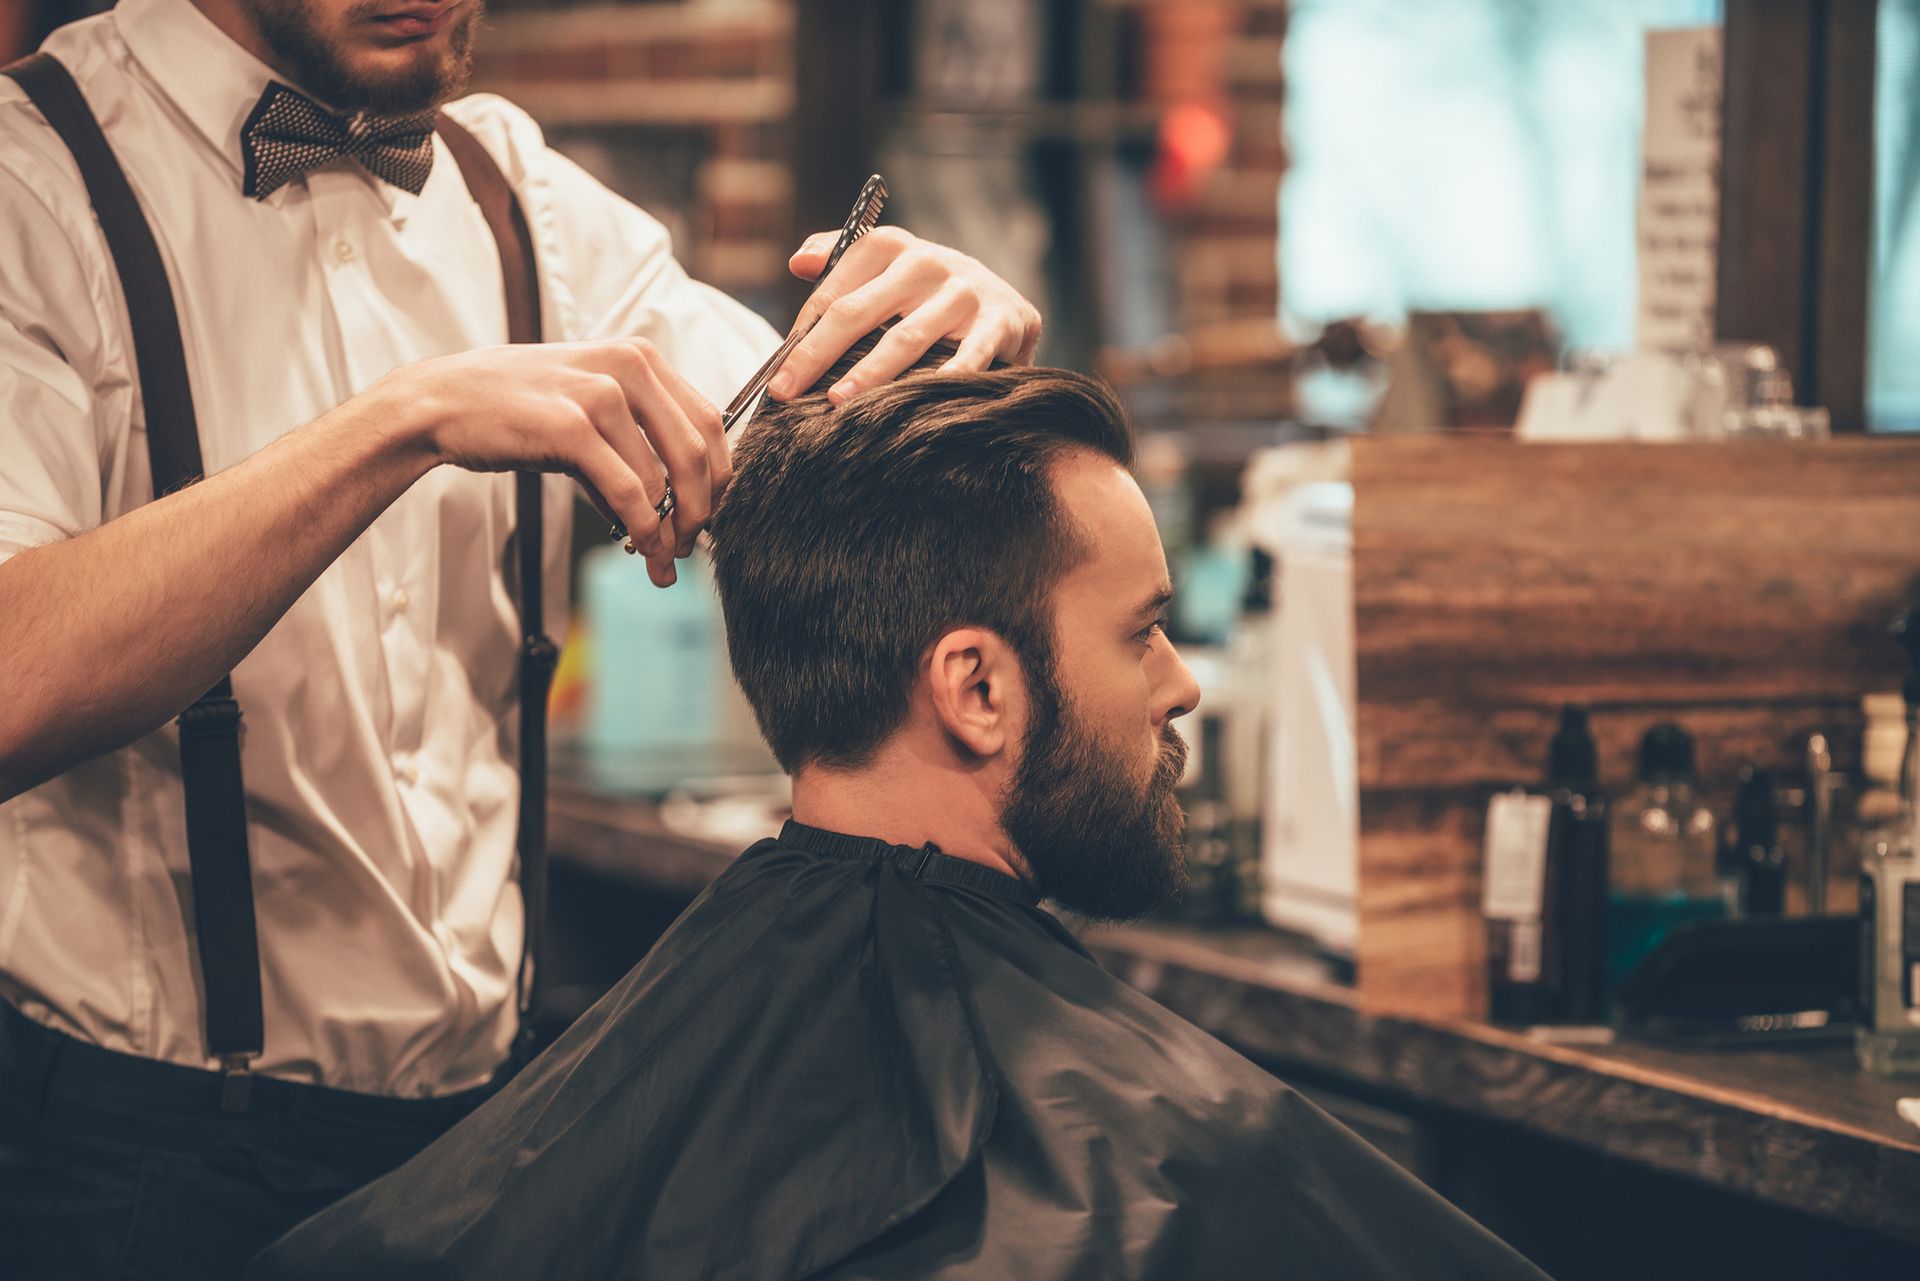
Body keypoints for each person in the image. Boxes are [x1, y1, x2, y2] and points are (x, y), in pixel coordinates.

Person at [0, 0, 1042, 1274]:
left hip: (489, 1129)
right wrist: (403, 423)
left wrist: (940, 354)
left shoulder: (520, 196)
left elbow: (811, 465)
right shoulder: (32, 179)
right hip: (136, 1161)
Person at [248, 356, 1551, 1280]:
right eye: (1144, 632)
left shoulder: (619, 1096)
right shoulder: (1194, 1155)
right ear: (976, 687)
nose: (1183, 682)